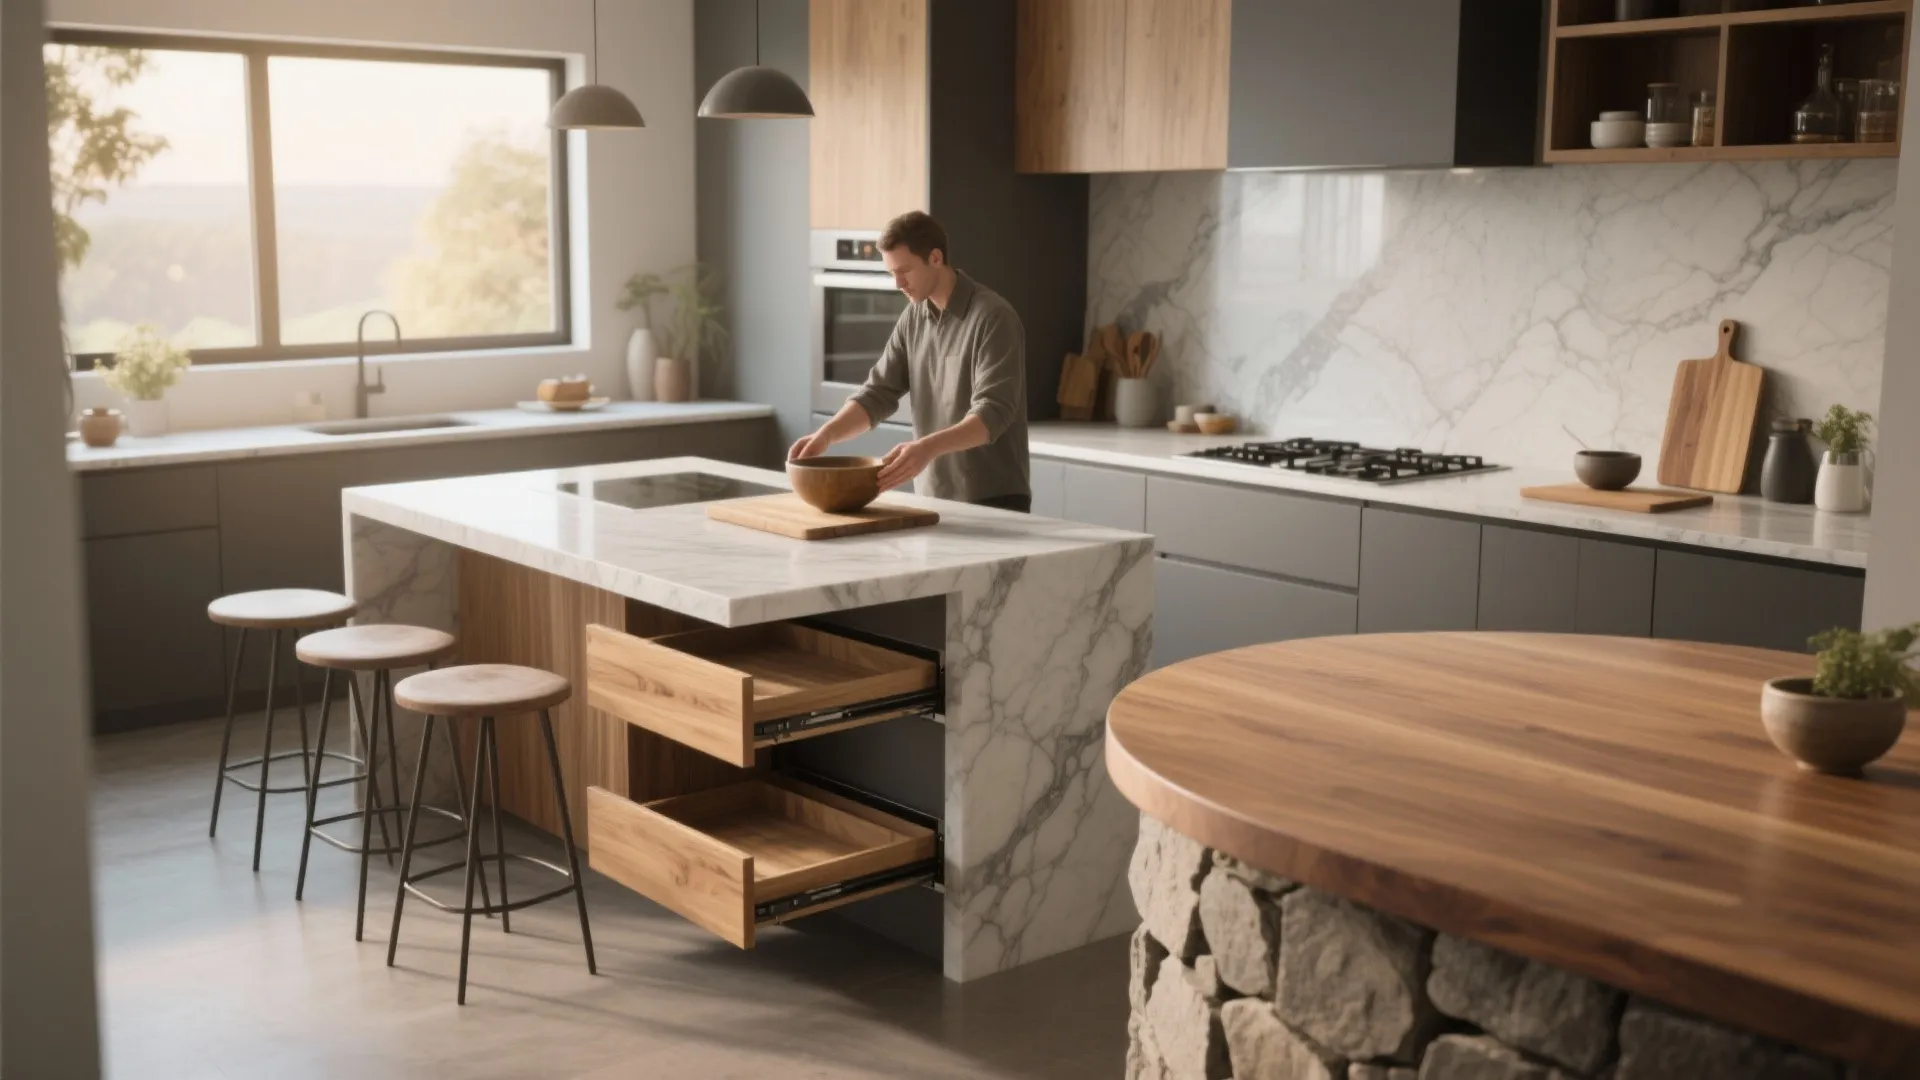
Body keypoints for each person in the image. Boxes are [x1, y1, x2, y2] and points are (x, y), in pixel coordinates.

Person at [790, 211, 1031, 512]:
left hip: (993, 500)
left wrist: (925, 448)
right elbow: (877, 394)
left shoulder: (993, 318)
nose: (897, 284)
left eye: (904, 271)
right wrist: (825, 436)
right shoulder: (913, 318)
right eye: (891, 273)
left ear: (934, 258)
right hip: (931, 498)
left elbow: (991, 415)